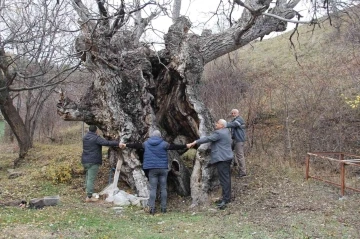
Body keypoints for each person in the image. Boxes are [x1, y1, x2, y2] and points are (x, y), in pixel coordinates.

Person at [120, 130, 188, 215]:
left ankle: (152, 208)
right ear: (160, 136)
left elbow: (136, 145)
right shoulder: (164, 144)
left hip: (152, 169)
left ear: (151, 136)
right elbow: (174, 146)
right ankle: (163, 208)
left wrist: (125, 144)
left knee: (153, 189)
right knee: (163, 189)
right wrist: (186, 145)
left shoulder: (146, 144)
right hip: (163, 169)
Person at [187, 119, 233, 210]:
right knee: (226, 178)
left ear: (222, 125)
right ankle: (226, 198)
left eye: (218, 123)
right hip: (227, 157)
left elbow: (207, 138)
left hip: (222, 159)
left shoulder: (219, 133)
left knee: (224, 180)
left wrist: (194, 142)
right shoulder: (227, 131)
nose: (216, 124)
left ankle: (226, 199)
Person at [82, 125, 120, 202]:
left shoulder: (85, 138)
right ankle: (89, 196)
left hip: (85, 160)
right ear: (96, 131)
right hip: (93, 161)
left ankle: (88, 192)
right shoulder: (96, 138)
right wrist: (117, 143)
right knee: (90, 179)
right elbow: (106, 143)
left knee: (88, 177)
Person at [227, 109, 247, 178]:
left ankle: (243, 173)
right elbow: (230, 124)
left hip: (239, 140)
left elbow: (234, 124)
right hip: (234, 140)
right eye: (232, 113)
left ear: (238, 113)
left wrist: (223, 125)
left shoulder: (239, 119)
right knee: (229, 150)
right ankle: (234, 164)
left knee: (240, 156)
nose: (233, 114)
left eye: (234, 113)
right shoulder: (234, 120)